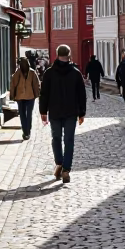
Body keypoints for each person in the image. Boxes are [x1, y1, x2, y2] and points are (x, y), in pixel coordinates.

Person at [39, 44, 86, 184]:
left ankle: (59, 163)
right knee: (69, 140)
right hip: (71, 112)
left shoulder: (49, 73)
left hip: (55, 112)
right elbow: (82, 95)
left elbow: (44, 94)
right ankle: (66, 169)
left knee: (56, 138)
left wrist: (43, 111)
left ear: (56, 54)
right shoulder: (76, 73)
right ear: (69, 54)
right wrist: (82, 113)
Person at [9, 56, 40, 140]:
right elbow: (36, 85)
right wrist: (37, 94)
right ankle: (27, 132)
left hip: (24, 97)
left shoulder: (28, 73)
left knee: (24, 115)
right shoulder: (19, 73)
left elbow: (13, 85)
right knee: (27, 115)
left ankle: (26, 132)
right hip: (27, 97)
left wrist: (12, 95)